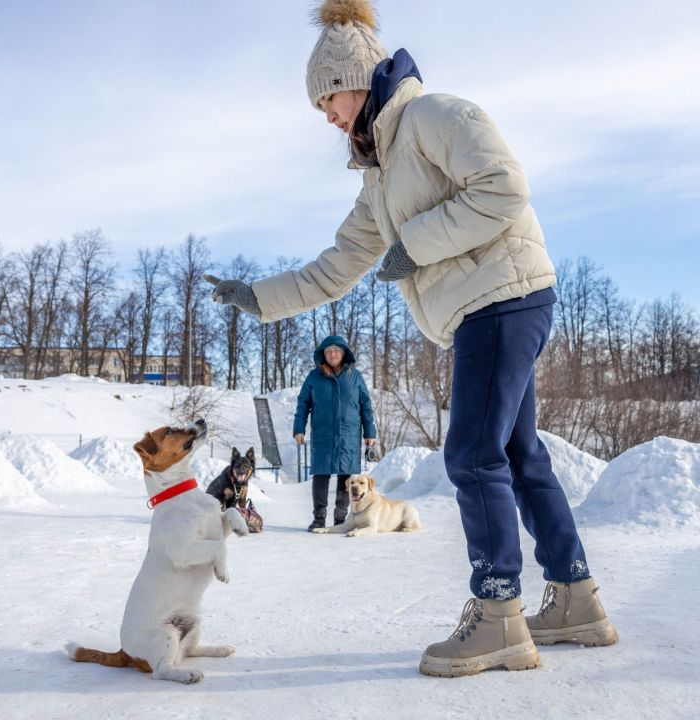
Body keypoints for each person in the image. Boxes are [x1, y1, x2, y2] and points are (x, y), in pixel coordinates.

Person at [204, 0, 617, 677]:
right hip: (490, 306)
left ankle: (499, 615)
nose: (327, 117)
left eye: (326, 99)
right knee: (517, 454)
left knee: (474, 453)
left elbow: (505, 188)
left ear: (357, 77)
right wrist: (259, 299)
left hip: (503, 298)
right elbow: (336, 267)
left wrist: (417, 245)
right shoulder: (380, 178)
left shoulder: (435, 117)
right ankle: (575, 598)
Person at [293, 335, 376, 531]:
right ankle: (319, 519)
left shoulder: (355, 376)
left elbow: (366, 405)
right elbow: (303, 403)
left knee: (345, 478)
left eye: (336, 351)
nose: (332, 354)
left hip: (349, 435)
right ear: (323, 354)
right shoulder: (314, 377)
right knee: (320, 476)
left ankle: (340, 519)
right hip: (323, 435)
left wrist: (369, 432)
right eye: (328, 351)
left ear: (343, 353)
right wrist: (299, 428)